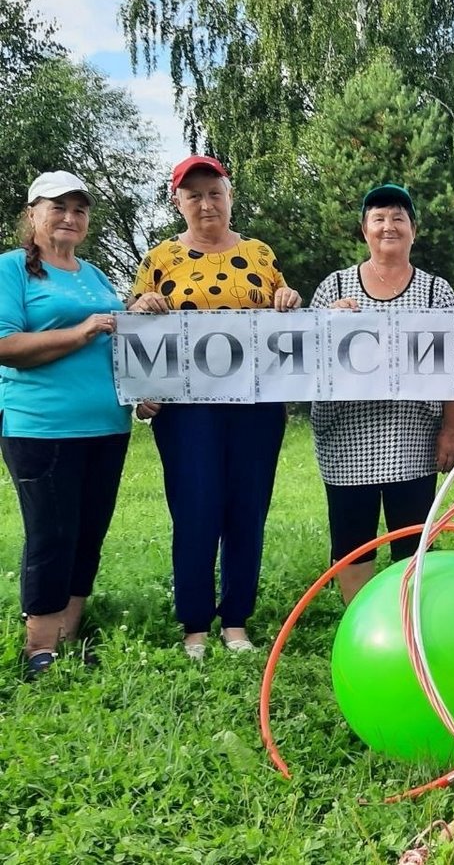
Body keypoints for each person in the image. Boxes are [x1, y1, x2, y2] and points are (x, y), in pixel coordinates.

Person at [127, 155, 302, 659]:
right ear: (178, 201)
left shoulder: (259, 253)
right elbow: (134, 331)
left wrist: (288, 297)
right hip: (188, 413)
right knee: (196, 510)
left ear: (229, 197)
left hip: (255, 407)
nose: (206, 203)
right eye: (194, 195)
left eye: (214, 193)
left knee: (247, 510)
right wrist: (140, 307)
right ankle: (195, 626)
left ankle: (237, 622)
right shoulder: (160, 258)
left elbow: (283, 315)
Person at [0, 172, 131, 679]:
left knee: (87, 533)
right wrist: (80, 333)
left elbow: (118, 343)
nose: (70, 218)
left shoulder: (94, 274)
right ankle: (40, 648)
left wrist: (142, 390)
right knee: (51, 535)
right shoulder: (12, 269)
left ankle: (69, 637)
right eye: (58, 207)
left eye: (79, 209)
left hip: (108, 426)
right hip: (43, 428)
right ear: (32, 213)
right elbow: (6, 345)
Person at [311, 184, 454, 603]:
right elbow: (307, 361)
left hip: (411, 438)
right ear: (365, 230)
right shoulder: (334, 287)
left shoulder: (436, 291)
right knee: (352, 542)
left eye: (398, 218)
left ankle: (406, 623)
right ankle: (357, 622)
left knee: (413, 543)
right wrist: (325, 324)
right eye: (378, 218)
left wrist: (452, 430)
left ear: (414, 229)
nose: (388, 226)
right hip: (346, 439)